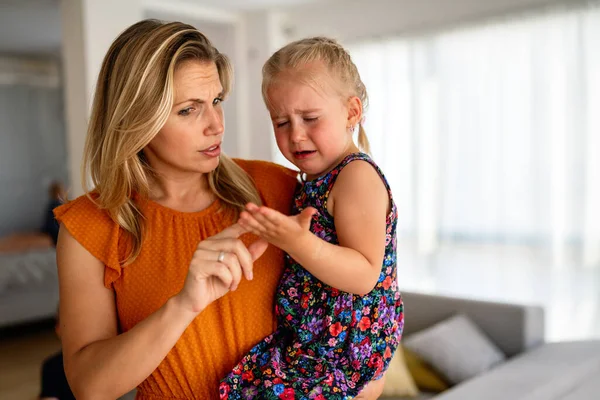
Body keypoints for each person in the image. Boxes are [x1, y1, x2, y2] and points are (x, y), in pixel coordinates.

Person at [54, 20, 383, 400]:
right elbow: (89, 387)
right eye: (188, 110)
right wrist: (183, 306)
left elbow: (366, 311)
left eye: (216, 101)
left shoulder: (279, 190)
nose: (215, 125)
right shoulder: (88, 226)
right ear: (135, 119)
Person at [220, 37, 404, 399]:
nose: (295, 134)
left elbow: (365, 273)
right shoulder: (315, 180)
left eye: (310, 118)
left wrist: (297, 242)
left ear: (352, 112)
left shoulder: (356, 176)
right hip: (311, 345)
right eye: (281, 122)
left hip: (342, 355)